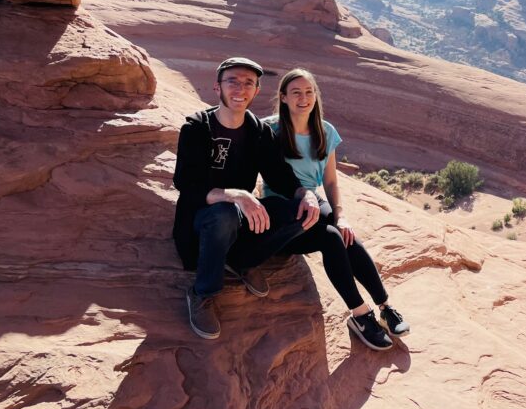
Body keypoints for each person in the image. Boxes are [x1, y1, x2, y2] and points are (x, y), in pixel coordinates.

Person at [261, 67, 410, 351]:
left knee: (343, 233)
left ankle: (385, 306)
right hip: (281, 210)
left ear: (315, 95)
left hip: (313, 201)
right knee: (330, 237)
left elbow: (330, 179)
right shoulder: (270, 129)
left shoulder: (325, 131)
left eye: (309, 92)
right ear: (283, 97)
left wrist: (342, 216)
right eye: (296, 93)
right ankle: (359, 314)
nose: (303, 98)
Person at [172, 57, 321, 340]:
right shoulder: (196, 128)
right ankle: (202, 292)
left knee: (299, 212)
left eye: (248, 83)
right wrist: (236, 195)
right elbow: (186, 185)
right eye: (232, 81)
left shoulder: (259, 132)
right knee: (224, 213)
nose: (240, 89)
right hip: (201, 221)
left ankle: (241, 261)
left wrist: (306, 194)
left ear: (255, 91)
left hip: (238, 219)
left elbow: (279, 175)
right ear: (217, 88)